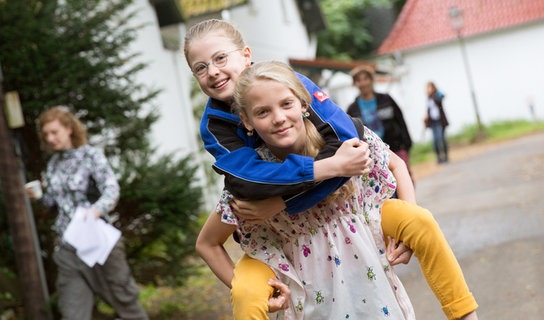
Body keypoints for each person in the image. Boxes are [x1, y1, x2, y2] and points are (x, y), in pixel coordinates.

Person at [185, 19, 478, 320]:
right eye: (200, 67)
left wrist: (287, 198)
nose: (213, 71)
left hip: (354, 217)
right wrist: (328, 168)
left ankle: (465, 314)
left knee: (418, 221)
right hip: (285, 242)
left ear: (301, 103)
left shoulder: (295, 89)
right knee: (248, 292)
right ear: (247, 121)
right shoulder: (219, 132)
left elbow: (364, 152)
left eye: (220, 58)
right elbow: (247, 185)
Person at [199, 60, 416, 318]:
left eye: (286, 104)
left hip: (373, 294)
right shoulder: (251, 184)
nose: (279, 118)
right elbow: (206, 243)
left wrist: (409, 227)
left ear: (304, 103)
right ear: (247, 121)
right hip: (311, 305)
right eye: (263, 112)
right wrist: (254, 291)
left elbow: (395, 165)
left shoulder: (342, 144)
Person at [26, 107, 148, 320]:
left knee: (126, 302)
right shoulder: (52, 165)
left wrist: (96, 209)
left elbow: (111, 189)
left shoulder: (91, 155)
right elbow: (55, 204)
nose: (50, 138)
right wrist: (39, 197)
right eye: (46, 135)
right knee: (72, 313)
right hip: (68, 248)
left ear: (69, 128)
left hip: (99, 242)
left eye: (54, 132)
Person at [347, 65, 413, 182]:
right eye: (358, 80)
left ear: (372, 80)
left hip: (395, 148)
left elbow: (400, 121)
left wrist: (407, 144)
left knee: (404, 182)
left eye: (365, 79)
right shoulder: (352, 109)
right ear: (355, 84)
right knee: (384, 190)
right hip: (371, 156)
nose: (363, 83)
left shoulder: (386, 99)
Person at [424, 81, 450, 163]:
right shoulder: (429, 98)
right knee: (435, 140)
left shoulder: (436, 96)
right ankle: (439, 157)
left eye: (430, 88)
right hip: (433, 122)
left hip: (440, 121)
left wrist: (434, 94)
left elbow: (442, 97)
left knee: (441, 139)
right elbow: (429, 110)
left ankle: (445, 156)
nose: (428, 90)